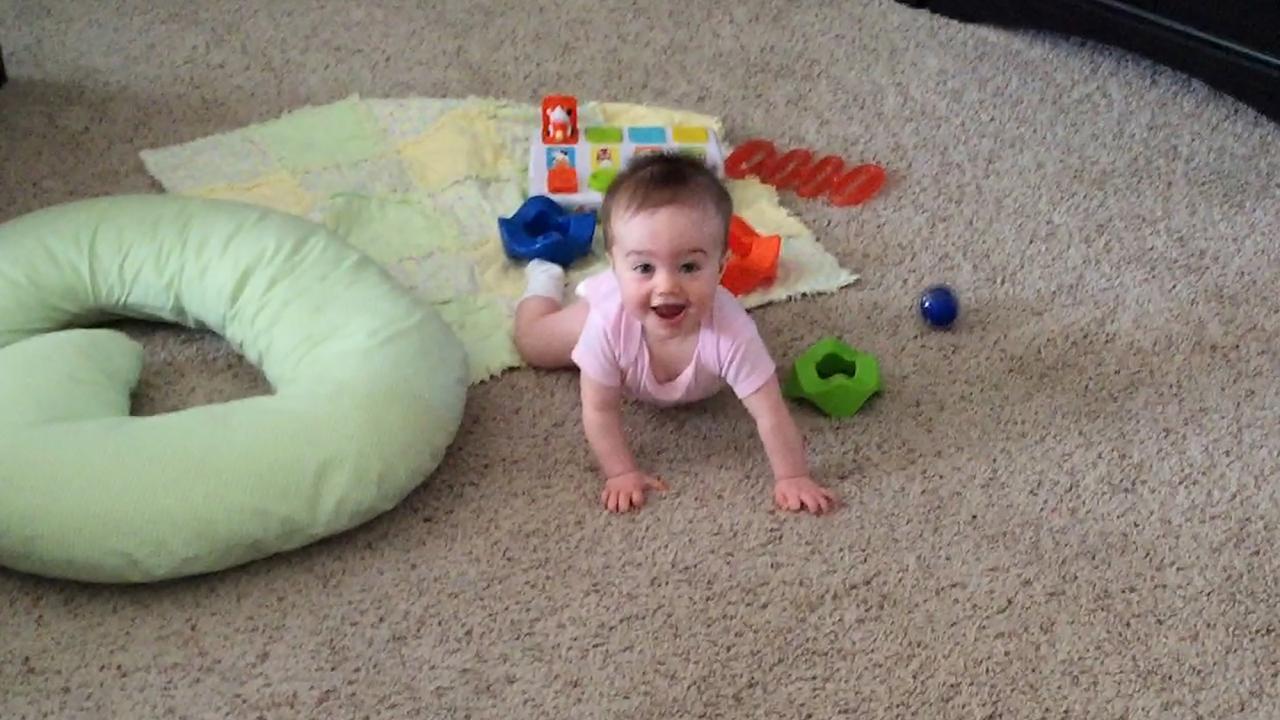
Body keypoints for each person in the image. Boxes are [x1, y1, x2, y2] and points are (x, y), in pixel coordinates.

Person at [513, 152, 838, 515]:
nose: (667, 286)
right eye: (644, 267)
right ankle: (544, 276)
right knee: (532, 343)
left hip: (644, 308)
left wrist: (792, 476)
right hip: (614, 308)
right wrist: (620, 472)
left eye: (689, 266)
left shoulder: (733, 334)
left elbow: (771, 414)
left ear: (721, 265)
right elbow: (599, 409)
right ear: (615, 264)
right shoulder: (606, 325)